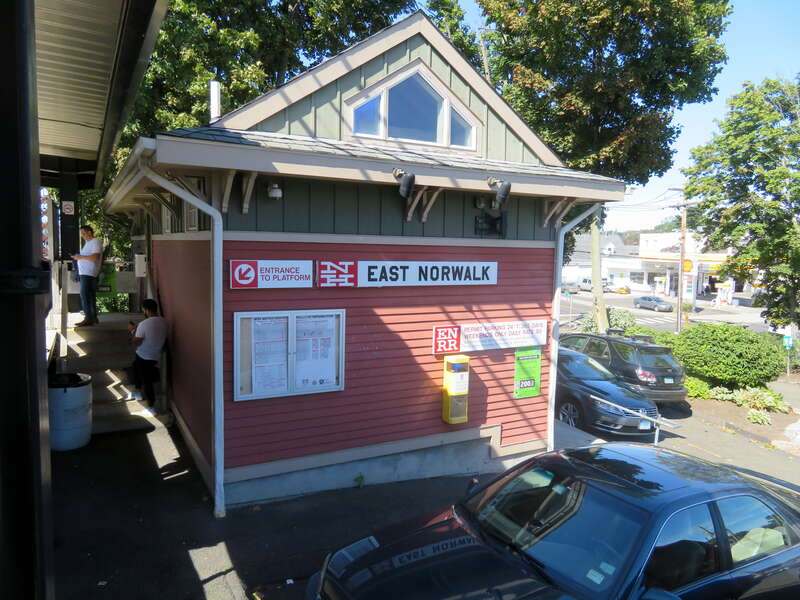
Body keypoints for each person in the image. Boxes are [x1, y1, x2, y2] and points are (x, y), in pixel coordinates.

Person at [127, 299, 168, 411]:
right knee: (135, 367)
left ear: (146, 310)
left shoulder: (144, 324)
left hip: (144, 356)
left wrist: (131, 331)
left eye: (143, 310)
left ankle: (151, 407)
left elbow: (136, 341)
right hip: (155, 356)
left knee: (147, 380)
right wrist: (137, 329)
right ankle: (138, 392)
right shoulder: (163, 322)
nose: (143, 312)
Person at [70, 225, 103, 327]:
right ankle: (93, 318)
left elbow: (95, 257)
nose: (83, 236)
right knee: (90, 295)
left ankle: (88, 318)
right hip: (86, 272)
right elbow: (87, 257)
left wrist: (80, 257)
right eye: (82, 234)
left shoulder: (95, 241)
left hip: (88, 273)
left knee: (84, 295)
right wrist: (78, 257)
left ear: (89, 232)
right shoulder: (88, 243)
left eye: (84, 233)